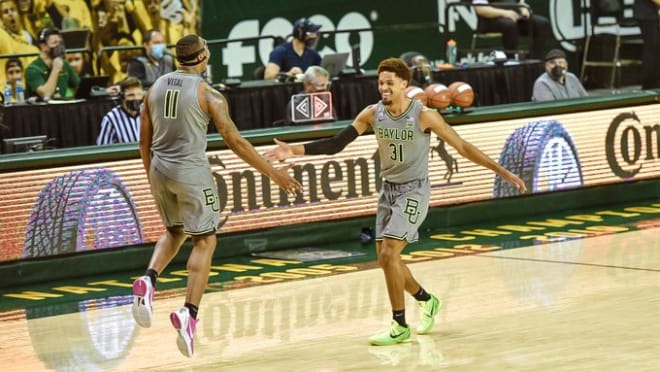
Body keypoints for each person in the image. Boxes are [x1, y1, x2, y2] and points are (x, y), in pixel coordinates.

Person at [264, 57, 527, 346]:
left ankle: (399, 325)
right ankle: (426, 300)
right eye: (380, 83)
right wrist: (294, 150)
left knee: (389, 253)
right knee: (387, 260)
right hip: (388, 191)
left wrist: (503, 172)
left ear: (404, 84)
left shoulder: (424, 115)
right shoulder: (371, 114)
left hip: (414, 191)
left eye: (390, 83)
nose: (384, 88)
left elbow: (462, 147)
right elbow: (335, 144)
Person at [133, 34, 302, 358]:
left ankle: (149, 279)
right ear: (202, 57)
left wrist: (151, 177)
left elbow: (144, 141)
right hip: (191, 174)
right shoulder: (208, 94)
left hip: (158, 170)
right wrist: (274, 173)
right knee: (205, 241)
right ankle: (189, 314)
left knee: (175, 231)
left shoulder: (153, 88)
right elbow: (236, 142)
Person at [472, 0, 552, 59]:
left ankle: (534, 59)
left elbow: (520, 2)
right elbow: (481, 9)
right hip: (491, 20)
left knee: (542, 23)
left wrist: (523, 9)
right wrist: (505, 13)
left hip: (515, 17)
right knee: (510, 25)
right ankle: (510, 60)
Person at [25, 27, 80, 100]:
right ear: (43, 46)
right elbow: (46, 94)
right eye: (55, 43)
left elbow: (79, 86)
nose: (59, 46)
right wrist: (55, 69)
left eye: (60, 42)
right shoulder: (32, 70)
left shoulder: (64, 64)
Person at [97, 77, 143, 145]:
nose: (136, 98)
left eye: (139, 94)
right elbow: (102, 148)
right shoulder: (110, 119)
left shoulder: (150, 113)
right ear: (122, 97)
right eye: (131, 95)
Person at [633, 0, 660, 89]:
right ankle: (649, 85)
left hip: (651, 13)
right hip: (645, 13)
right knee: (652, 48)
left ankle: (655, 83)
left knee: (654, 48)